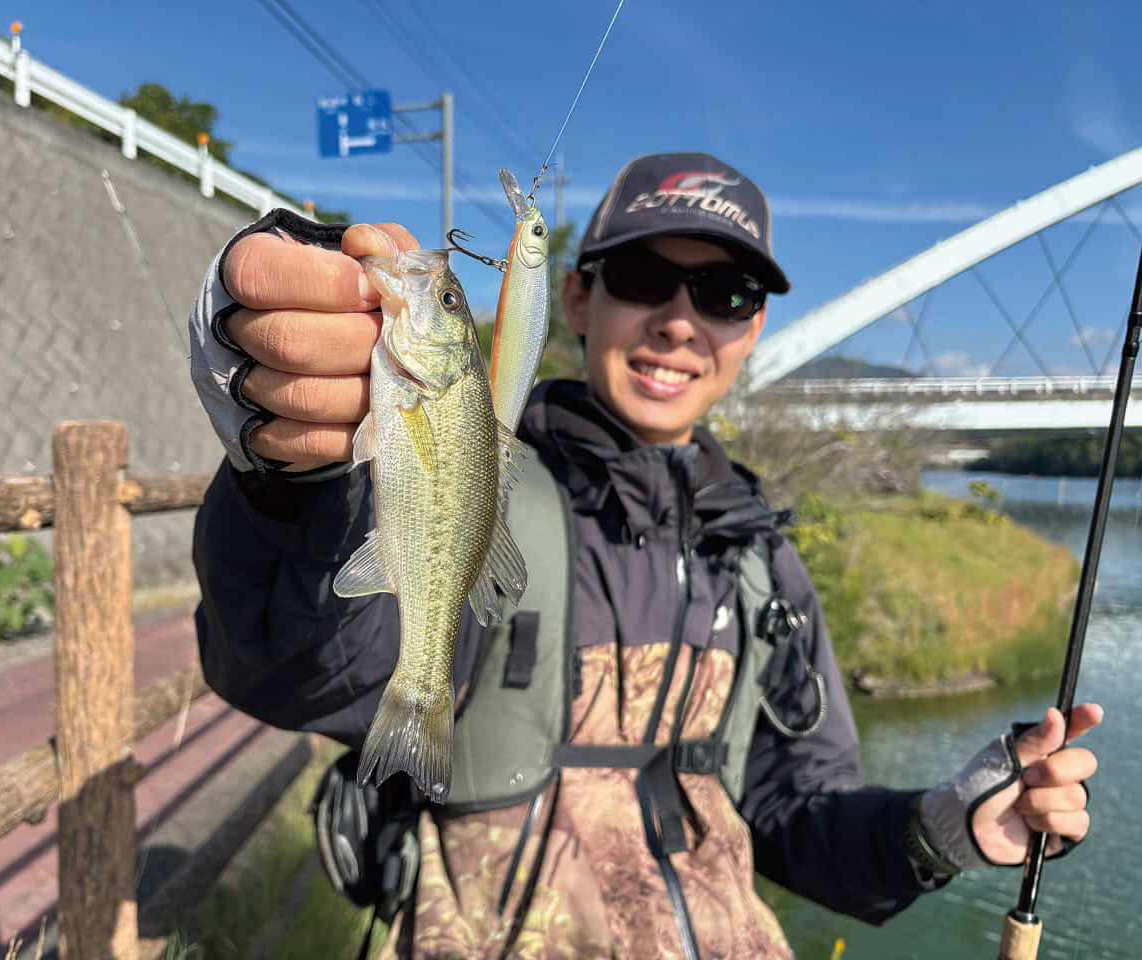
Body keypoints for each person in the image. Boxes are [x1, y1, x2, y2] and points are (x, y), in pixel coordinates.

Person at [187, 152, 1102, 959]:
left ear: (753, 331)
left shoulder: (762, 564)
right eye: (643, 276)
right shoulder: (497, 485)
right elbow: (313, 671)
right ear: (575, 298)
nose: (678, 321)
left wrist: (944, 826)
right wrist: (296, 477)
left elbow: (794, 811)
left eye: (726, 294)